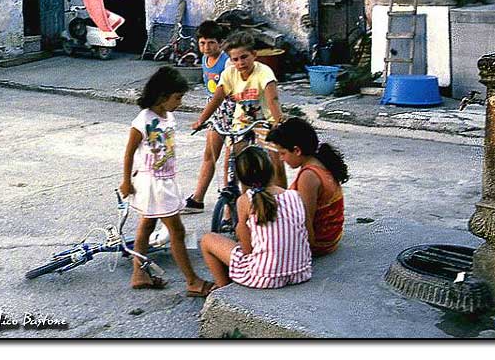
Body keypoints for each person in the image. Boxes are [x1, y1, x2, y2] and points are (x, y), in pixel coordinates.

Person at [119, 66, 214, 296]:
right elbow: (129, 152)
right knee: (177, 232)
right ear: (162, 96)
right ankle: (192, 281)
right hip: (153, 184)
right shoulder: (142, 120)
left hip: (166, 180)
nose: (180, 102)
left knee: (147, 225)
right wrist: (125, 181)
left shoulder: (168, 116)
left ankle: (138, 274)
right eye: (178, 97)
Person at [200, 146, 311, 289]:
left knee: (207, 240)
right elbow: (309, 238)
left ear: (242, 179)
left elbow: (247, 250)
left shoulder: (245, 200)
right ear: (272, 170)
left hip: (263, 277)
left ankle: (223, 289)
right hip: (300, 272)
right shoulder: (295, 195)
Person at [191, 31, 287, 188]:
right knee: (238, 165)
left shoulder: (264, 72)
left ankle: (284, 202)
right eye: (235, 59)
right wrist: (201, 120)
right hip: (241, 124)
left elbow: (273, 100)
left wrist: (278, 123)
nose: (240, 63)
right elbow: (217, 98)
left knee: (276, 165)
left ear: (254, 55)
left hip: (265, 123)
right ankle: (236, 206)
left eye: (244, 57)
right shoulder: (229, 73)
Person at [266, 117, 349, 256]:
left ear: (297, 150)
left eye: (283, 153)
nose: (281, 158)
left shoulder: (308, 176)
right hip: (333, 236)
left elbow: (305, 220)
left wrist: (303, 252)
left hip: (320, 243)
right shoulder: (318, 161)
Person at [182, 20, 235, 214]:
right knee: (209, 156)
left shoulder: (228, 62)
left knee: (230, 164)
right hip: (216, 115)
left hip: (233, 115)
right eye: (202, 43)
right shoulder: (205, 60)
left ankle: (229, 211)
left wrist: (202, 119)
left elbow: (220, 94)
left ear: (220, 43)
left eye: (211, 43)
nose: (206, 47)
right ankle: (198, 199)